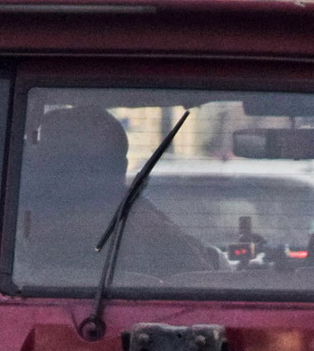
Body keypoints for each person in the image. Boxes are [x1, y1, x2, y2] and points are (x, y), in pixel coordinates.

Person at [16, 106, 216, 283]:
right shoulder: (150, 229)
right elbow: (203, 283)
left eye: (40, 154)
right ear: (122, 168)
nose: (33, 162)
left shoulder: (14, 229)